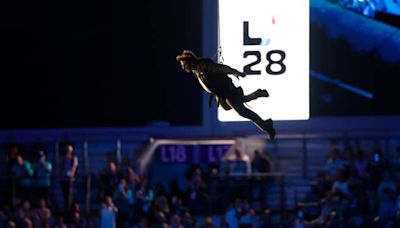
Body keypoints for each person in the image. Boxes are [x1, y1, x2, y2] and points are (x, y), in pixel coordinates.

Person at [176, 50, 276, 140]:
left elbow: (220, 68)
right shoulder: (196, 70)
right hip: (221, 95)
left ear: (191, 62)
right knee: (234, 104)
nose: (183, 67)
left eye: (184, 65)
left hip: (228, 92)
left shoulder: (204, 65)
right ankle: (256, 94)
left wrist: (234, 71)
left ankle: (267, 126)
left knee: (243, 112)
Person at [60, 144, 79, 211]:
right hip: (64, 180)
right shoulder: (63, 159)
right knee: (65, 196)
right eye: (67, 151)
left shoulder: (74, 158)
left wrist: (71, 175)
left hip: (70, 180)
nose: (68, 152)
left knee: (70, 196)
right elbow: (61, 168)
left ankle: (70, 209)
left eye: (69, 151)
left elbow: (74, 168)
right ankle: (66, 209)